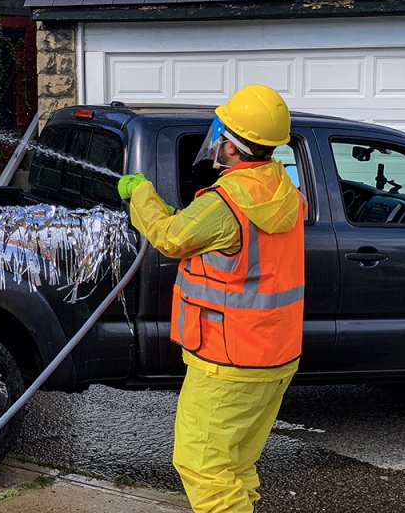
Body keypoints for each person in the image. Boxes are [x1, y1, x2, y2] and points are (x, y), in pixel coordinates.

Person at [117, 85, 306, 513]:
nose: (215, 143)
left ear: (233, 146)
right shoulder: (283, 190)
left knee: (203, 467)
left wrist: (141, 192)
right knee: (236, 464)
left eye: (220, 136)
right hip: (274, 356)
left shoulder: (227, 204)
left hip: (229, 360)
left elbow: (170, 236)